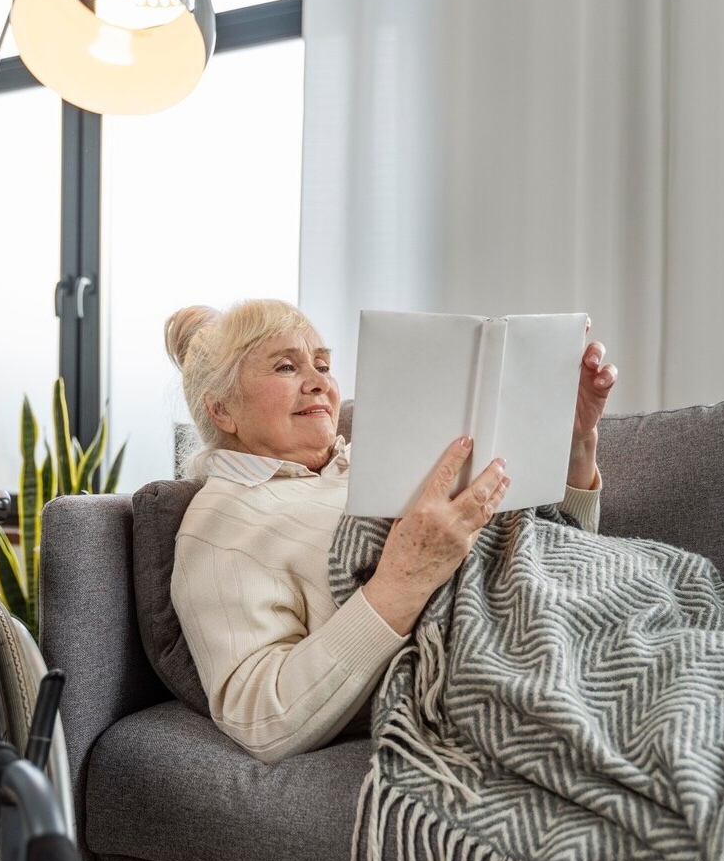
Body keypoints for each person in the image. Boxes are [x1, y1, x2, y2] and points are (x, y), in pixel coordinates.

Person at [164, 299, 618, 764]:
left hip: (578, 619)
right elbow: (261, 720)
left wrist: (575, 443)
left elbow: (560, 559)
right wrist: (406, 576)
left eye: (323, 364)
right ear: (222, 410)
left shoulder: (379, 459)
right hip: (501, 659)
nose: (319, 382)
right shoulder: (220, 525)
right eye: (286, 366)